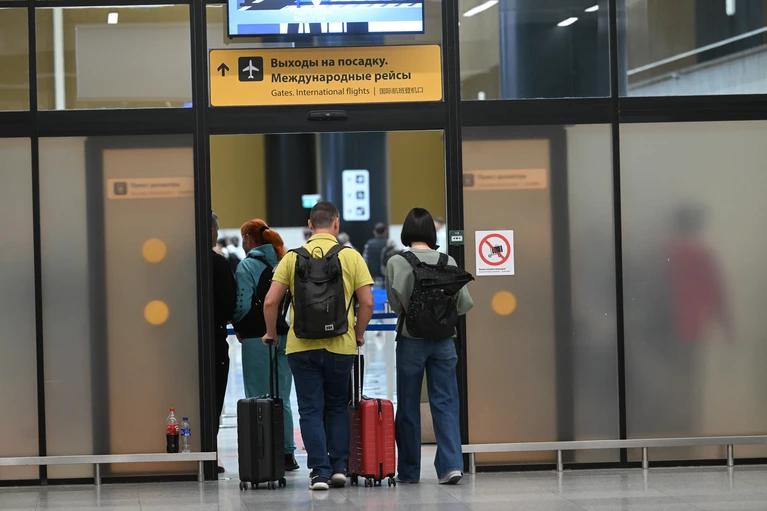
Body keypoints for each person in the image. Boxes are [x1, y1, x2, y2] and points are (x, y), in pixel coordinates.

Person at [262, 201, 375, 491]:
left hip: (301, 347)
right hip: (341, 346)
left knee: (310, 410)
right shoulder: (351, 256)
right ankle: (339, 468)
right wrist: (358, 334)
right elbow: (367, 302)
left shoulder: (291, 258)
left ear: (310, 225)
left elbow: (271, 301)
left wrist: (271, 333)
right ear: (336, 224)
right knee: (337, 406)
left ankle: (319, 473)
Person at [385, 207, 474, 485]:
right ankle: (451, 466)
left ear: (407, 232)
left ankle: (409, 471)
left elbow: (395, 304)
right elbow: (464, 304)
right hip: (445, 341)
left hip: (411, 340)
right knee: (445, 402)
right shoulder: (448, 260)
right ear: (431, 232)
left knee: (408, 404)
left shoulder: (397, 261)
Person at [232, 219, 299, 472]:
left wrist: (237, 324)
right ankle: (287, 454)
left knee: (257, 397)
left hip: (256, 337)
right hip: (286, 336)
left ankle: (262, 453)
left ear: (248, 239)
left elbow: (242, 304)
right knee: (283, 397)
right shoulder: (284, 262)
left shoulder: (248, 265)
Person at [211, 212, 236, 474]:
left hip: (179, 343)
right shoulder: (218, 264)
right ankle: (210, 453)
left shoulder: (178, 263)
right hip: (215, 338)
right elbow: (230, 305)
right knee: (214, 395)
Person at [362, 222, 389, 288]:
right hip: (386, 276)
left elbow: (364, 260)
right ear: (385, 232)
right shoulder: (389, 243)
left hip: (373, 276)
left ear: (374, 232)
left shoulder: (369, 244)